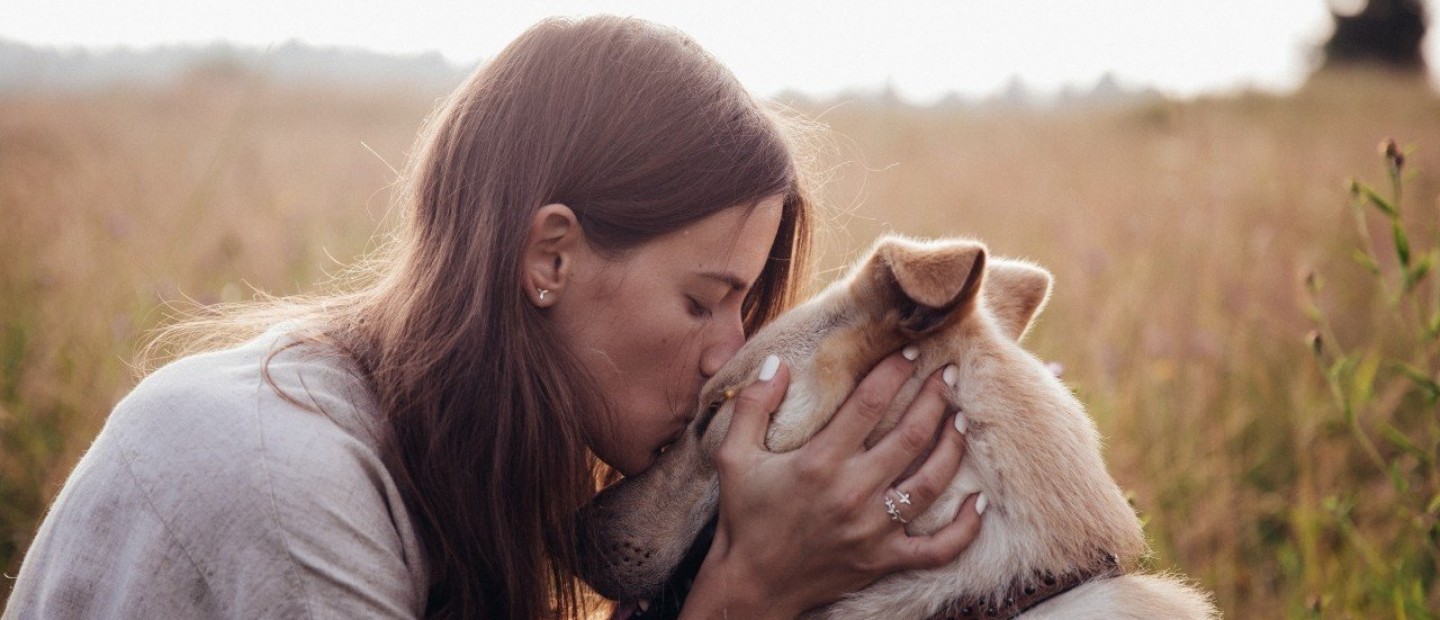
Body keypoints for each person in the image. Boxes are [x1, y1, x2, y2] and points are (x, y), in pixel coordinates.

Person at [1, 15, 982, 620]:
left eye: (745, 306)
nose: (728, 356)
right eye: (701, 300)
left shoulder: (457, 462)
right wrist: (753, 589)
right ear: (548, 255)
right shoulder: (283, 477)